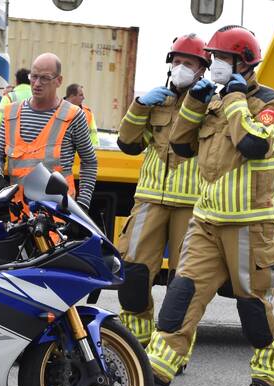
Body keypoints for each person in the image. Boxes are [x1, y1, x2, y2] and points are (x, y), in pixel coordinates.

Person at [145, 25, 274, 386]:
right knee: (182, 294)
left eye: (223, 59)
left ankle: (267, 377)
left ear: (244, 62)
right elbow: (180, 144)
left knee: (255, 303)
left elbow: (254, 144)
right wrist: (194, 102)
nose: (215, 65)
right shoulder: (212, 100)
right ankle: (157, 370)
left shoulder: (270, 104)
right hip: (207, 220)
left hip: (249, 224)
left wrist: (237, 99)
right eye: (214, 59)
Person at [114, 34, 209, 354]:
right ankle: (135, 341)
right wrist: (139, 106)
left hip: (193, 204)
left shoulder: (211, 103)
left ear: (202, 69)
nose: (181, 67)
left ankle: (172, 350)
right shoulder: (155, 101)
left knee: (183, 283)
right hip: (151, 199)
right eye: (177, 62)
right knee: (133, 271)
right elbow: (128, 144)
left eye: (189, 63)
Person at [0, 53, 98, 217]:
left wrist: (82, 206)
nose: (37, 83)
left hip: (58, 219)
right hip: (18, 217)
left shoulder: (73, 116)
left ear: (59, 81)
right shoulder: (11, 113)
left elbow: (89, 162)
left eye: (45, 78)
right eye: (34, 77)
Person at [65, 83, 100, 148]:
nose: (84, 98)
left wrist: (93, 150)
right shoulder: (57, 110)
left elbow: (93, 136)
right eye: (81, 95)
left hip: (84, 153)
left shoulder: (87, 113)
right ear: (72, 96)